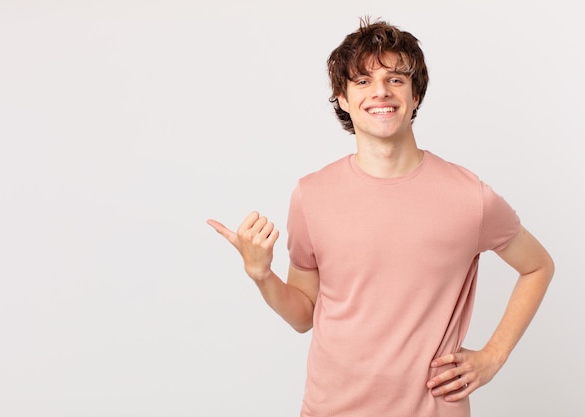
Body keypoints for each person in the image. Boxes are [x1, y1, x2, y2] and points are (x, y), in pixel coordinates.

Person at [207, 17, 554, 417]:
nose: (380, 92)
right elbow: (304, 314)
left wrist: (494, 356)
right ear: (342, 97)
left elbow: (538, 266)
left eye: (395, 79)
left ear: (416, 95)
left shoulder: (469, 197)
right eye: (362, 81)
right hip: (331, 408)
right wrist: (262, 275)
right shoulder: (311, 195)